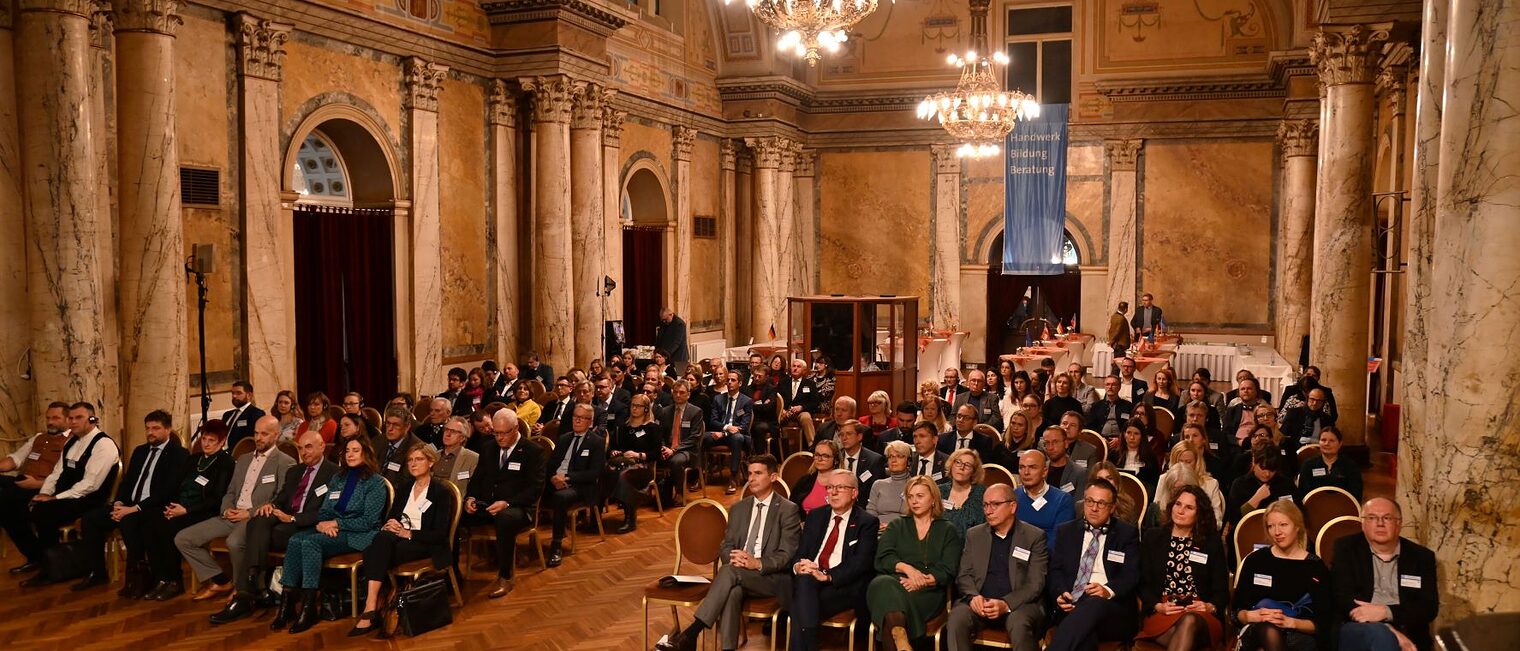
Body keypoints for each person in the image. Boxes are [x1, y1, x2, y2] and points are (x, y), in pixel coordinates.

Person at [658, 455, 802, 651]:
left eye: (758, 473)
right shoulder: (739, 508)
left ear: (773, 477)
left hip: (773, 578)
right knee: (732, 590)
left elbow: (788, 555)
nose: (751, 478)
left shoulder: (788, 510)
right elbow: (726, 546)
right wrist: (734, 558)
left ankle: (691, 633)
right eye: (749, 473)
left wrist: (756, 563)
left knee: (728, 573)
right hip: (739, 574)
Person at [208, 431, 336, 625]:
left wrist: (293, 518)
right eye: (300, 448)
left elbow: (329, 511)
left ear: (322, 447)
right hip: (282, 518)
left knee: (260, 535)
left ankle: (248, 591)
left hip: (305, 524)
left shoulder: (334, 473)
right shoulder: (295, 471)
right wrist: (273, 506)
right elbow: (282, 498)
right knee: (258, 519)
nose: (304, 452)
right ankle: (254, 584)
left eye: (309, 447)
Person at [172, 416, 294, 603]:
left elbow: (280, 497)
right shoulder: (243, 459)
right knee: (183, 538)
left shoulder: (284, 461)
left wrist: (250, 512)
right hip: (231, 514)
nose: (258, 438)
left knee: (234, 542)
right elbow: (230, 491)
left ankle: (241, 588)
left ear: (276, 435)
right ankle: (219, 580)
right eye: (256, 433)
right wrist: (227, 509)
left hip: (254, 518)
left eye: (264, 434)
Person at [272, 438, 386, 634]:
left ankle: (309, 607)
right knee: (295, 539)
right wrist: (324, 525)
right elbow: (324, 510)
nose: (350, 454)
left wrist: (337, 523)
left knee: (310, 543)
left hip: (359, 534)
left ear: (366, 453)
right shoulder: (338, 478)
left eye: (356, 450)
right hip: (332, 529)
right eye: (347, 450)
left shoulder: (376, 482)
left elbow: (370, 522)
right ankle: (287, 604)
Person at [74, 409, 191, 595]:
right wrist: (120, 502)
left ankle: (139, 576)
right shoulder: (140, 451)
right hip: (129, 505)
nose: (150, 432)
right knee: (91, 519)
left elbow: (167, 491)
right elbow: (127, 482)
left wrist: (133, 509)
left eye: (156, 428)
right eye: (148, 428)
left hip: (154, 506)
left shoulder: (178, 454)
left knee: (132, 522)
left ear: (168, 430)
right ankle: (97, 572)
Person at [349, 444, 455, 637]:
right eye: (410, 460)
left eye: (419, 459)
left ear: (431, 462)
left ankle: (372, 606)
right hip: (396, 538)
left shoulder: (440, 491)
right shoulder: (405, 487)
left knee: (372, 551)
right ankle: (373, 604)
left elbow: (440, 534)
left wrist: (409, 533)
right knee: (381, 540)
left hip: (424, 542)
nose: (413, 464)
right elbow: (393, 516)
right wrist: (390, 524)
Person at [15, 402, 123, 587]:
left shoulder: (103, 444)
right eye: (71, 418)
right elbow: (56, 473)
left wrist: (55, 498)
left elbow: (90, 485)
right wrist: (44, 493)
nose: (73, 422)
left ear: (92, 419)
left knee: (43, 512)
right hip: (69, 497)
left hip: (90, 500)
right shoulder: (72, 442)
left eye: (78, 417)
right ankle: (50, 563)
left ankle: (53, 567)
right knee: (23, 506)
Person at [866, 476, 965, 651]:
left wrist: (921, 581)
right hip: (896, 582)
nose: (914, 501)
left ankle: (899, 636)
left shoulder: (947, 529)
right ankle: (901, 638)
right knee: (882, 582)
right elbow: (882, 559)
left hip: (928, 591)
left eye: (920, 496)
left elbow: (948, 569)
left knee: (887, 603)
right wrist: (907, 568)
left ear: (933, 499)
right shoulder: (897, 525)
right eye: (910, 496)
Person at [947, 483, 1047, 651]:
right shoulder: (974, 534)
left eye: (995, 504)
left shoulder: (1034, 537)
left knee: (1019, 622)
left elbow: (1035, 584)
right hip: (980, 602)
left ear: (1012, 506)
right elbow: (963, 574)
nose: (988, 510)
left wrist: (1005, 604)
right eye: (985, 505)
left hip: (1018, 606)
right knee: (957, 617)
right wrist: (973, 597)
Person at [788, 469, 880, 651]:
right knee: (804, 582)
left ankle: (811, 643)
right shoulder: (816, 516)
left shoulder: (866, 522)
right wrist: (798, 566)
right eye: (829, 487)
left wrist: (827, 575)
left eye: (840, 487)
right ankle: (812, 643)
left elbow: (861, 563)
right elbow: (801, 552)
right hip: (809, 580)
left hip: (842, 586)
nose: (833, 492)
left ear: (854, 493)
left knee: (799, 603)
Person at [1046, 479, 1142, 651]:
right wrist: (1060, 593)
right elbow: (1055, 571)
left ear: (1112, 507)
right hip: (1072, 607)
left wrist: (1107, 590)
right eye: (1089, 501)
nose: (1094, 508)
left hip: (1112, 611)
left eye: (1101, 503)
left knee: (1094, 603)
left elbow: (1131, 575)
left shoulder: (1127, 534)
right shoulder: (1066, 531)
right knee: (1084, 638)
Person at [1332, 498, 1440, 651]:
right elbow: (1341, 597)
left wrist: (1386, 612)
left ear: (1399, 523)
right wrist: (1388, 630)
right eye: (1372, 518)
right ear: (1363, 523)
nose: (1380, 523)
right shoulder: (1346, 549)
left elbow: (1428, 607)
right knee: (1381, 635)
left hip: (1408, 631)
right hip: (1358, 627)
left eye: (1387, 518)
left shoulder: (1421, 557)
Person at [464, 408, 545, 599]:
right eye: (496, 433)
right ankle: (450, 575)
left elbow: (535, 489)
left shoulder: (533, 451)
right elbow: (477, 479)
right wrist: (470, 498)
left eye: (504, 433)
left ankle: (505, 576)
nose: (499, 437)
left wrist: (507, 503)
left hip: (518, 508)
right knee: (455, 514)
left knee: (505, 519)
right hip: (489, 504)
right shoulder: (488, 448)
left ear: (516, 428)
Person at [1137, 485, 1229, 651]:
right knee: (1184, 636)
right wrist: (1158, 606)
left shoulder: (1211, 543)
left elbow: (1222, 591)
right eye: (1178, 504)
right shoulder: (1153, 537)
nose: (1180, 511)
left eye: (1189, 507)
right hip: (1164, 610)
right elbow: (1143, 583)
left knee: (1189, 621)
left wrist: (1210, 606)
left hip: (1199, 612)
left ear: (1199, 513)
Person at [1232, 501, 1332, 651]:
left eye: (1283, 525)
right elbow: (1235, 611)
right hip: (1258, 630)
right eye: (1271, 526)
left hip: (1298, 632)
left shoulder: (1315, 566)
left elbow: (1323, 623)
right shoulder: (1255, 560)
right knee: (1269, 629)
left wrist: (1290, 622)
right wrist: (1249, 616)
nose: (1277, 532)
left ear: (1297, 526)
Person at [0, 403, 70, 574]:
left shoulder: (72, 442)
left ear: (68, 419)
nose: (50, 422)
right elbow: (15, 459)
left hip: (44, 487)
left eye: (55, 418)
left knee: (4, 503)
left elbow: (67, 478)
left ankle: (36, 557)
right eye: (48, 418)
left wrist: (39, 484)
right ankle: (37, 556)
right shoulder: (39, 437)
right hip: (22, 481)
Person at [543, 403, 606, 567]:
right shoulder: (564, 438)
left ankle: (556, 545)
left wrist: (567, 477)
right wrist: (553, 478)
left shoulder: (596, 442)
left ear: (590, 422)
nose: (577, 421)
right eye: (575, 417)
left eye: (581, 418)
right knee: (535, 489)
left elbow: (594, 473)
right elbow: (551, 465)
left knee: (560, 498)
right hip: (556, 481)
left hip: (581, 486)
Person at [607, 393, 664, 533]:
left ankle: (630, 518)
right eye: (633, 405)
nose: (634, 408)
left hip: (643, 467)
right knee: (605, 471)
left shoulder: (652, 428)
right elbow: (613, 447)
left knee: (624, 476)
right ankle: (594, 518)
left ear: (646, 409)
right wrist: (614, 452)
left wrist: (638, 455)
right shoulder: (623, 427)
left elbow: (657, 453)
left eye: (638, 406)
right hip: (623, 463)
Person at [1013, 449, 1074, 549]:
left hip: (1045, 559)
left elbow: (1058, 542)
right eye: (1022, 467)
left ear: (1044, 472)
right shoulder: (1013, 496)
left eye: (1032, 467)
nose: (1026, 472)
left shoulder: (1062, 500)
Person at [656, 380, 706, 503]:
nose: (678, 395)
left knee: (676, 461)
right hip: (668, 448)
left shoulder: (696, 412)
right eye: (676, 392)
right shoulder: (665, 411)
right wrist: (663, 447)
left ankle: (679, 492)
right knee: (650, 456)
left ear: (688, 394)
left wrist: (674, 450)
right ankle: (654, 493)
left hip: (688, 450)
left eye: (682, 392)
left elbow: (694, 438)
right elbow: (660, 433)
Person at [706, 371, 753, 494]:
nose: (730, 382)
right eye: (728, 380)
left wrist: (724, 433)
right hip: (721, 432)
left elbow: (744, 426)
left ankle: (733, 475)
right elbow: (713, 421)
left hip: (737, 435)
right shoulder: (718, 399)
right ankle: (699, 474)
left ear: (740, 383)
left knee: (737, 438)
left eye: (733, 380)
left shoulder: (746, 401)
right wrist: (726, 428)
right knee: (702, 437)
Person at [1227, 443, 1297, 525]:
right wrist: (1256, 499)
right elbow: (1233, 519)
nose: (1267, 474)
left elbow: (1298, 514)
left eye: (1272, 469)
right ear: (1254, 462)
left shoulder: (1286, 484)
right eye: (1263, 468)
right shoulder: (1240, 484)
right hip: (1249, 532)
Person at [1163, 441, 1226, 523]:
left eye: (1188, 462)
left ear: (1197, 462)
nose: (1184, 466)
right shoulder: (1163, 479)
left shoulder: (1211, 484)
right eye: (1180, 462)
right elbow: (1158, 513)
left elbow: (1217, 522)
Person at [1297, 426, 1362, 502]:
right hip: (1314, 508)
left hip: (1342, 509)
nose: (1327, 443)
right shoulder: (1308, 465)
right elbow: (1303, 494)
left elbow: (1356, 495)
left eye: (1332, 441)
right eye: (1323, 440)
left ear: (1340, 443)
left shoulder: (1350, 466)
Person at [835, 419, 885, 508]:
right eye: (841, 434)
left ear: (859, 436)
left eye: (849, 434)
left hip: (864, 509)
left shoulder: (874, 461)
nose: (844, 438)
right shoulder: (835, 458)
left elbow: (875, 494)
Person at [373, 406, 427, 487]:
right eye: (388, 423)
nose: (390, 429)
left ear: (407, 427)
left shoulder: (417, 449)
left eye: (396, 425)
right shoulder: (377, 441)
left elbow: (407, 482)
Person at [938, 448, 987, 537]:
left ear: (974, 472)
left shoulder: (982, 494)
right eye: (958, 462)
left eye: (967, 465)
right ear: (951, 465)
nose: (961, 467)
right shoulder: (939, 491)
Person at [868, 441, 914, 530]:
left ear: (908, 461)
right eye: (890, 457)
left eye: (899, 456)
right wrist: (877, 525)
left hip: (904, 531)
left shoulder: (915, 486)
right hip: (878, 530)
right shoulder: (878, 484)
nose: (893, 460)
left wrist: (891, 527)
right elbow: (871, 511)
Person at [432, 416, 479, 497]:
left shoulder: (473, 458)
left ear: (462, 438)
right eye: (446, 429)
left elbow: (475, 488)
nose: (448, 434)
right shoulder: (433, 455)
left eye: (453, 431)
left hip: (454, 502)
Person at [779, 358, 821, 447]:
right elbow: (777, 399)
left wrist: (802, 407)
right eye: (793, 366)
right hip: (785, 411)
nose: (795, 368)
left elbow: (815, 402)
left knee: (806, 417)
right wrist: (781, 409)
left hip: (801, 412)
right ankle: (778, 449)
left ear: (804, 370)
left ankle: (812, 446)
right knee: (774, 418)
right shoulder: (783, 382)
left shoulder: (810, 384)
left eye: (798, 367)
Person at [793, 438, 841, 515]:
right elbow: (792, 507)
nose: (819, 459)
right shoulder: (805, 481)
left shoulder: (843, 483)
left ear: (835, 460)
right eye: (817, 455)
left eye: (825, 456)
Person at [1113, 420, 1161, 489]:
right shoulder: (1114, 454)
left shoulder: (1150, 457)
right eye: (1129, 433)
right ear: (1124, 434)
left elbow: (1154, 484)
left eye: (1136, 433)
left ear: (1142, 436)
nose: (1132, 437)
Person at [1041, 426, 1087, 498]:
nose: (1050, 447)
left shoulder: (1080, 473)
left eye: (1055, 442)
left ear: (1066, 444)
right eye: (1047, 443)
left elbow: (1078, 505)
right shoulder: (1040, 470)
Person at [1089, 375, 1133, 440]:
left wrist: (1121, 439)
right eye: (1107, 384)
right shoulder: (1096, 406)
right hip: (1101, 439)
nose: (1110, 387)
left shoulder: (1128, 406)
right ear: (1104, 387)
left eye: (1114, 385)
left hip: (1121, 440)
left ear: (1119, 387)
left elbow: (1131, 426)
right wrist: (1100, 439)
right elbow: (1091, 426)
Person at [223, 381, 266, 447]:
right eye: (233, 393)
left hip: (239, 453)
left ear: (249, 395)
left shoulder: (256, 414)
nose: (234, 396)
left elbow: (251, 440)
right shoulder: (227, 415)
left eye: (238, 393)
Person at [654, 308, 690, 376]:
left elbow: (676, 343)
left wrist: (665, 354)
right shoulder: (664, 323)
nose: (664, 321)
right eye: (663, 320)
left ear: (671, 315)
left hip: (678, 357)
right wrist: (657, 351)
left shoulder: (679, 324)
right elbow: (659, 338)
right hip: (667, 356)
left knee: (679, 376)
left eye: (666, 319)